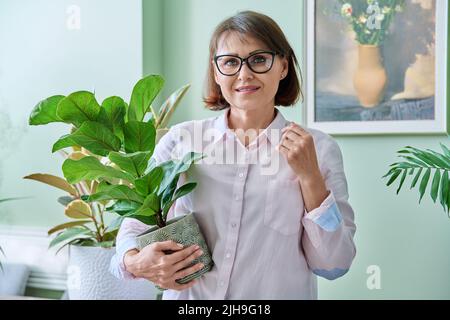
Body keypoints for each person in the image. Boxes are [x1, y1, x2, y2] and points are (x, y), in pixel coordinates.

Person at [110, 10, 356, 300]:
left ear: (283, 67)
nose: (244, 74)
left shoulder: (319, 148)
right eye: (230, 62)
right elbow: (133, 230)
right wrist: (135, 262)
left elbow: (334, 265)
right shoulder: (181, 141)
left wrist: (311, 178)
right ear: (216, 72)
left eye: (259, 59)